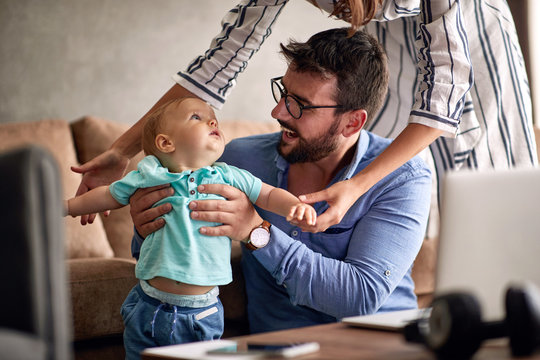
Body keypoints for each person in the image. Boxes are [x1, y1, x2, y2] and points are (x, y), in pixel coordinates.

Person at [71, 0, 537, 232]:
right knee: (379, 202)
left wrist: (354, 186)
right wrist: (120, 151)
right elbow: (218, 64)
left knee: (497, 220)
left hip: (473, 42)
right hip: (384, 41)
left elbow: (443, 98)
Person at [133, 28, 432, 333]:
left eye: (300, 104)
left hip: (378, 347)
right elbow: (170, 247)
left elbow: (360, 296)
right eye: (283, 92)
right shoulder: (240, 161)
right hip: (277, 350)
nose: (278, 111)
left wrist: (256, 232)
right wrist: (147, 227)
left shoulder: (403, 178)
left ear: (352, 121)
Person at [64, 96, 316, 358]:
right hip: (148, 304)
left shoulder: (228, 175)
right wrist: (69, 206)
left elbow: (268, 194)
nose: (211, 120)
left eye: (213, 119)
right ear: (166, 142)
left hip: (202, 312)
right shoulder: (149, 174)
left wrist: (293, 206)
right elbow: (108, 195)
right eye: (196, 117)